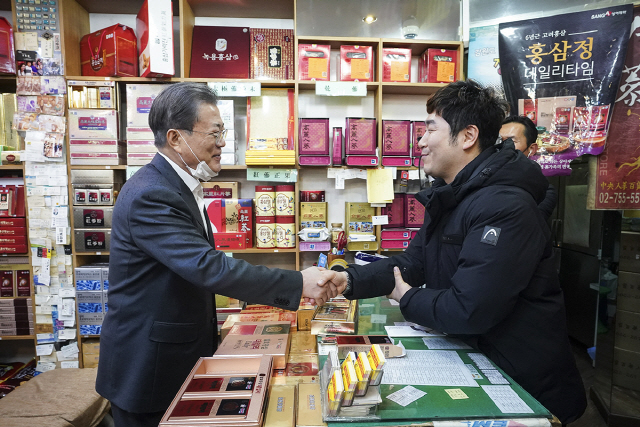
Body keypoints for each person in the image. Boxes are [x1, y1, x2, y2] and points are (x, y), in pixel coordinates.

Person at [327, 80, 587, 424]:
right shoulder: (452, 195)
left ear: (467, 136)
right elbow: (413, 262)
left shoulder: (504, 206)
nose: (419, 141)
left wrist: (405, 297)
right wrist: (345, 281)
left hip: (524, 389)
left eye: (429, 129)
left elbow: (469, 309)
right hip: (480, 364)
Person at [96, 82, 338, 427]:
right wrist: (298, 281)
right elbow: (207, 267)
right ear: (176, 138)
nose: (223, 142)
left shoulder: (177, 185)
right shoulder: (151, 194)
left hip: (174, 356)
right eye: (215, 132)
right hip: (149, 368)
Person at [500, 115, 557, 219]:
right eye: (499, 141)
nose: (502, 147)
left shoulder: (543, 192)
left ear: (532, 149)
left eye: (511, 142)